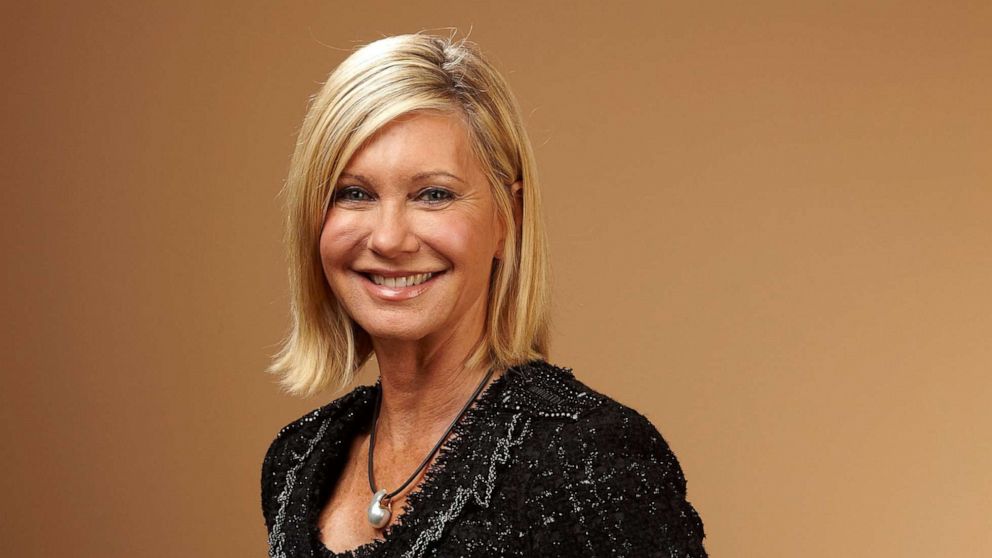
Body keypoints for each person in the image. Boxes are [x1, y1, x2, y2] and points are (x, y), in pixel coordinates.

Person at [261, 33, 707, 558]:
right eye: (353, 193)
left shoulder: (590, 458)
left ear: (506, 219)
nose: (387, 239)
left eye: (434, 195)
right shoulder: (298, 459)